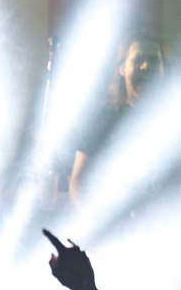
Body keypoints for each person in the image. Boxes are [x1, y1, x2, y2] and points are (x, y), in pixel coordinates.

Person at [69, 33, 171, 205]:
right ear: (122, 68)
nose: (146, 66)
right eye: (137, 59)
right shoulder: (100, 118)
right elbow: (79, 183)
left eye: (154, 60)